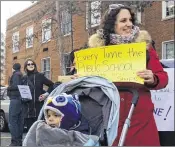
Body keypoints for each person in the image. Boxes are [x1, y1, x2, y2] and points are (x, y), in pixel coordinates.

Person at [88, 4, 168, 146]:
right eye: (123, 20)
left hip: (139, 117)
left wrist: (153, 78)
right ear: (112, 24)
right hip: (110, 117)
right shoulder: (98, 51)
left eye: (130, 20)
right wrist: (82, 79)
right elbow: (89, 78)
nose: (129, 24)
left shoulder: (144, 47)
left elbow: (162, 78)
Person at [22, 93, 98, 146]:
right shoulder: (43, 129)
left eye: (56, 115)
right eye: (48, 116)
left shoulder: (81, 136)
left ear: (69, 116)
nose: (50, 119)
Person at [22, 58, 54, 130]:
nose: (31, 65)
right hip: (27, 109)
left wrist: (45, 95)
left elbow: (52, 85)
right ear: (25, 66)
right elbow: (20, 91)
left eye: (32, 64)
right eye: (28, 64)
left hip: (38, 107)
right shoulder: (23, 78)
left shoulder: (40, 76)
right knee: (30, 131)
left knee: (39, 130)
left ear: (35, 65)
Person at [7, 63, 27, 146]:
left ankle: (15, 142)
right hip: (20, 101)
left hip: (15, 100)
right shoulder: (21, 75)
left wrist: (8, 87)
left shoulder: (16, 75)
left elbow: (15, 86)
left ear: (13, 68)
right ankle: (19, 141)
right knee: (18, 122)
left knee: (12, 122)